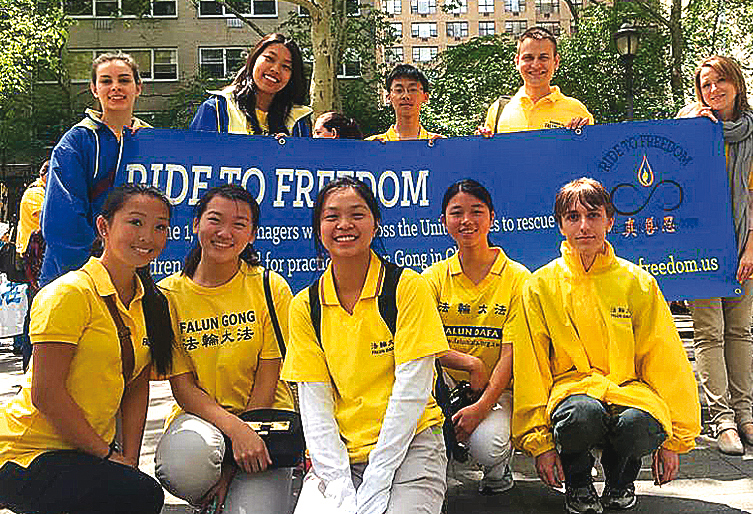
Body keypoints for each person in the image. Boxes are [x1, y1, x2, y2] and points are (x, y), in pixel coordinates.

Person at [515, 178, 700, 514]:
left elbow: (665, 358)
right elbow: (532, 366)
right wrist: (539, 442)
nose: (584, 226)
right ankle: (579, 482)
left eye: (593, 215)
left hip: (630, 389)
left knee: (639, 426)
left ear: (610, 221)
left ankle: (620, 480)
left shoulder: (638, 283)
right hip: (571, 392)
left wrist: (675, 440)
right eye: (572, 217)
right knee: (581, 416)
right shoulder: (539, 286)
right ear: (560, 225)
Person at [0, 184, 174, 514]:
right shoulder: (69, 294)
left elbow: (136, 385)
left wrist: (128, 462)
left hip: (84, 452)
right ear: (104, 227)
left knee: (132, 489)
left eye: (160, 227)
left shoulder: (149, 303)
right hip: (26, 452)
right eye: (135, 222)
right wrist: (108, 457)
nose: (147, 236)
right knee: (140, 496)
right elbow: (46, 394)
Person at [282, 176, 449, 514]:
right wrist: (341, 484)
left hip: (411, 445)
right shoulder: (305, 306)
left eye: (357, 214)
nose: (344, 225)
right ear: (318, 229)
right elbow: (314, 404)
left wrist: (379, 476)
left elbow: (412, 391)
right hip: (338, 454)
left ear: (375, 225)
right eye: (331, 217)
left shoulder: (406, 288)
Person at [154, 185, 296, 514]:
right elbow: (183, 387)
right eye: (215, 220)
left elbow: (269, 375)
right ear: (196, 224)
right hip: (201, 421)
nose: (225, 233)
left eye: (239, 224)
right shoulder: (167, 295)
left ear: (252, 235)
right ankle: (212, 492)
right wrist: (235, 433)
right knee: (185, 467)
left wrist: (242, 446)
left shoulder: (269, 286)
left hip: (263, 423)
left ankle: (232, 491)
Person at [677, 55, 753, 455]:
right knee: (708, 332)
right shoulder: (694, 126)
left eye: (720, 83)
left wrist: (752, 245)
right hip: (701, 248)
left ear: (736, 85)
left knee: (740, 331)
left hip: (742, 247)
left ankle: (746, 415)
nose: (713, 91)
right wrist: (691, 122)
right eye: (705, 85)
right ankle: (722, 421)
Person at [422, 179, 528, 494]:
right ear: (444, 221)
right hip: (443, 388)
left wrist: (481, 406)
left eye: (476, 211)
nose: (466, 220)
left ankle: (498, 467)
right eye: (456, 213)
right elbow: (422, 340)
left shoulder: (518, 278)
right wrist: (469, 363)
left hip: (498, 389)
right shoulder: (432, 278)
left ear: (492, 217)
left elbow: (512, 353)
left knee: (487, 446)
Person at [40, 52, 151, 287]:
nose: (115, 88)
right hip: (80, 276)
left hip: (138, 275)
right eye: (106, 81)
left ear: (138, 87)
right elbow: (62, 218)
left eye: (124, 80)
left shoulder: (153, 141)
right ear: (94, 89)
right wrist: (94, 273)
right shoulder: (77, 142)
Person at [191, 33, 311, 137]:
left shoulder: (298, 121)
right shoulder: (217, 109)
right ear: (253, 59)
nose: (276, 69)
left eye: (286, 66)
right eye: (269, 59)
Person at [480, 27, 593, 135]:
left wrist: (584, 137)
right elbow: (488, 153)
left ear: (556, 62)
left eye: (543, 58)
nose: (535, 65)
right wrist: (480, 142)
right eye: (528, 58)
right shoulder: (499, 110)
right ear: (517, 62)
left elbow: (592, 153)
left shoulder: (577, 111)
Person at [14, 159, 48, 372]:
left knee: (37, 309)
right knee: (36, 310)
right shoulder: (35, 194)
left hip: (40, 259)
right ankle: (30, 365)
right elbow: (49, 217)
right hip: (33, 261)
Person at [366, 64, 443, 141]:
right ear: (388, 97)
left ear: (425, 97)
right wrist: (373, 150)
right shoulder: (371, 144)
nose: (406, 96)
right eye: (399, 90)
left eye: (413, 90)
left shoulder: (440, 143)